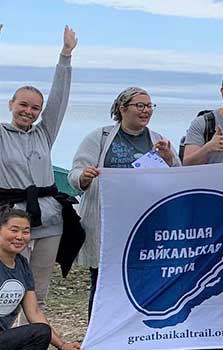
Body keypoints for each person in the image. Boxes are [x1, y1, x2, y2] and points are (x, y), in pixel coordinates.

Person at [68, 87, 181, 316]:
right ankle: (98, 338)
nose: (146, 111)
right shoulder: (99, 137)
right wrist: (84, 176)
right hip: (106, 225)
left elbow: (177, 178)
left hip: (144, 226)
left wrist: (169, 158)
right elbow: (74, 174)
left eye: (149, 106)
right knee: (102, 284)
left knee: (140, 283)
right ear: (122, 108)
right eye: (140, 105)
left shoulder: (157, 139)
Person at [0, 26, 77, 310]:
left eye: (35, 108)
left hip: (49, 221)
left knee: (38, 294)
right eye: (23, 105)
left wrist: (65, 56)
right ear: (11, 104)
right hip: (11, 221)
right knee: (7, 293)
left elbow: (59, 99)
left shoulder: (44, 134)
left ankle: (34, 340)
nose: (28, 111)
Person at [0, 209, 80, 350]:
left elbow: (34, 311)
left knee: (41, 332)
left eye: (25, 232)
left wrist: (62, 345)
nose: (19, 237)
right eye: (14, 230)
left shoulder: (22, 265)